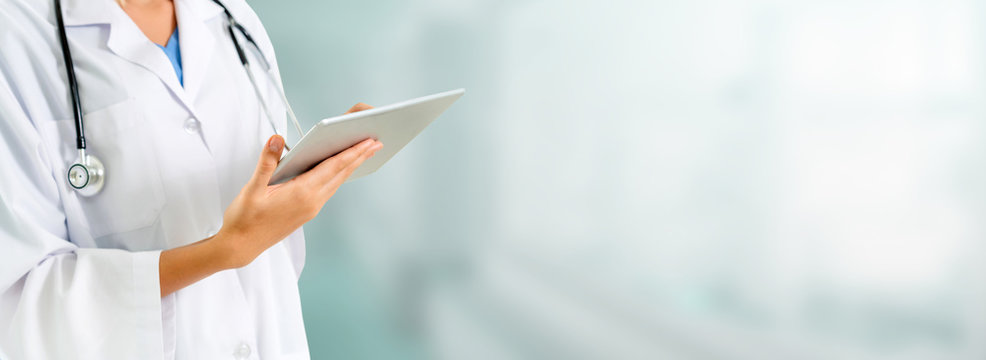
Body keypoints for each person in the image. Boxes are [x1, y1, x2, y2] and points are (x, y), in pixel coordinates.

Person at [0, 0, 381, 358]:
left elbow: (268, 229)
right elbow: (18, 297)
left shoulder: (230, 15)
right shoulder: (16, 33)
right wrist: (224, 251)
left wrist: (307, 172)